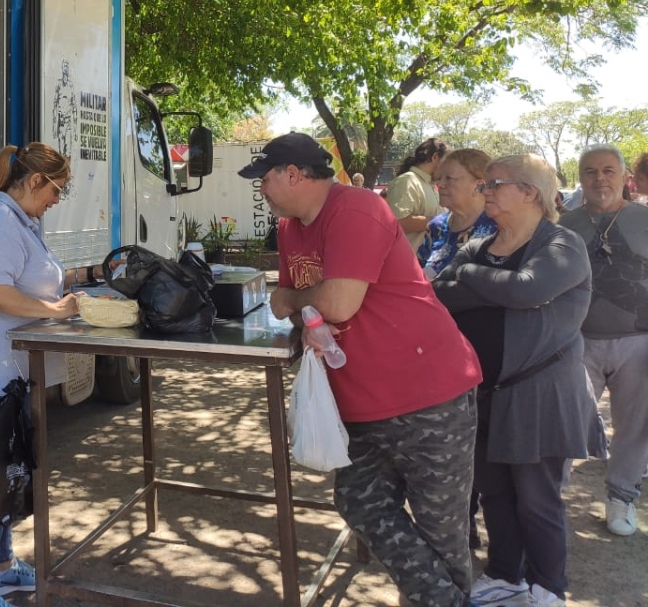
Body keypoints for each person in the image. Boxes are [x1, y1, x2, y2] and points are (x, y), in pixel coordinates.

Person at [245, 133, 482, 607]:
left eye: (265, 180)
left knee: (442, 530)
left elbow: (334, 302)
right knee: (359, 501)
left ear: (293, 175)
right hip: (359, 400)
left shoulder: (355, 209)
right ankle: (443, 599)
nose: (262, 190)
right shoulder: (291, 229)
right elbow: (292, 304)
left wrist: (298, 302)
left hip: (427, 395)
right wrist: (300, 305)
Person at [433, 155, 604, 607]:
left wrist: (473, 278)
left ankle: (549, 588)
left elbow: (528, 289)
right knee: (495, 493)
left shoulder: (563, 245)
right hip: (485, 396)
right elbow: (439, 297)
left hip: (541, 395)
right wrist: (497, 284)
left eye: (495, 184)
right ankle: (506, 574)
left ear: (529, 192)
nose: (485, 191)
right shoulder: (481, 244)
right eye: (486, 184)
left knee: (537, 499)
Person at [0, 142, 107, 607]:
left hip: (18, 373)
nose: (58, 200)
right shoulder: (1, 222)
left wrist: (88, 277)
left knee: (11, 475)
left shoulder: (23, 221)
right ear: (35, 181)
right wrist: (54, 313)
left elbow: (33, 279)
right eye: (57, 189)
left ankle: (2, 568)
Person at [559, 146, 648, 538]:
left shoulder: (644, 219)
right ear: (580, 177)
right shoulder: (563, 225)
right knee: (566, 424)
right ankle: (549, 497)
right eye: (590, 171)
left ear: (625, 175)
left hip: (639, 341)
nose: (600, 179)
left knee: (636, 427)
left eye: (609, 170)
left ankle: (622, 495)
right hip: (579, 341)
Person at [418, 148, 498, 280]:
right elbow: (416, 272)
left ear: (478, 186)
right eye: (439, 178)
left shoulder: (497, 226)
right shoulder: (436, 226)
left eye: (449, 178)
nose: (440, 184)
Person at [386, 137, 450, 251]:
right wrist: (444, 222)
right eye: (446, 163)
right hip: (408, 262)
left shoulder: (432, 186)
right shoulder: (406, 181)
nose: (447, 170)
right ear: (435, 157)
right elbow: (399, 222)